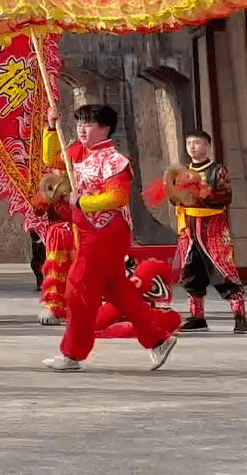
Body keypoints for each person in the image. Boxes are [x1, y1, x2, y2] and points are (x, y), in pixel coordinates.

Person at [42, 104, 180, 373]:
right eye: (80, 123)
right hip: (87, 232)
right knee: (118, 291)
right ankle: (158, 339)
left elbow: (117, 198)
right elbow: (52, 159)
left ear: (104, 128)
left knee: (78, 286)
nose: (82, 129)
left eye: (89, 124)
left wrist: (80, 201)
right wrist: (50, 127)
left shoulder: (114, 160)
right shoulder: (78, 152)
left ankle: (72, 353)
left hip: (105, 232)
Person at [171, 129, 247, 333]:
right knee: (190, 270)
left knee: (224, 267)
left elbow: (225, 197)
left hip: (212, 226)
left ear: (207, 145)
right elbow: (174, 198)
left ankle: (239, 315)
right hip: (189, 227)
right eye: (189, 144)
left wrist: (202, 193)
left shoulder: (217, 171)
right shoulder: (182, 171)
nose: (193, 147)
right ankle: (197, 317)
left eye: (197, 143)